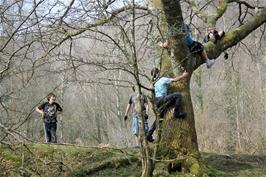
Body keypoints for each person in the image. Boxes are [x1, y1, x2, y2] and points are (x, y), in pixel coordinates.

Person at [146, 67, 189, 142]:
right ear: (158, 73)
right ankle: (177, 113)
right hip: (162, 99)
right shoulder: (162, 79)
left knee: (159, 118)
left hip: (158, 101)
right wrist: (183, 75)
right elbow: (175, 80)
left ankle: (149, 134)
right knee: (178, 95)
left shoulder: (155, 83)